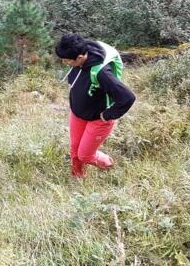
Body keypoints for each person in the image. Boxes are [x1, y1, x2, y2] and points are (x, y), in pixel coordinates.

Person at [55, 34, 135, 178]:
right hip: (78, 114)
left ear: (79, 58)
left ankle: (108, 164)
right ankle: (78, 178)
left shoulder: (101, 72)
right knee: (75, 151)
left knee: (85, 155)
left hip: (97, 119)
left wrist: (107, 115)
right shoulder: (78, 62)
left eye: (66, 60)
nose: (64, 62)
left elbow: (127, 97)